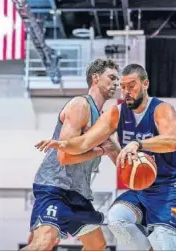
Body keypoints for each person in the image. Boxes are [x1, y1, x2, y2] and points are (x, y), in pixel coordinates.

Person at [36, 64, 176, 251]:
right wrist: (62, 144)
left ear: (145, 84)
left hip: (172, 186)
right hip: (142, 187)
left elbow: (172, 140)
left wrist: (138, 144)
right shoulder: (116, 113)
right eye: (123, 87)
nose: (126, 91)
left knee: (162, 237)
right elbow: (85, 142)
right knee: (116, 219)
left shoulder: (161, 109)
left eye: (132, 85)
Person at [27, 59, 121, 251]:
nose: (116, 83)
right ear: (95, 78)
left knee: (97, 246)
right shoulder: (80, 105)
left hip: (79, 193)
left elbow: (120, 162)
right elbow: (64, 157)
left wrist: (133, 158)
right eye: (111, 78)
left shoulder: (104, 119)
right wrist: (102, 150)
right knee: (43, 244)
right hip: (55, 187)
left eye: (117, 79)